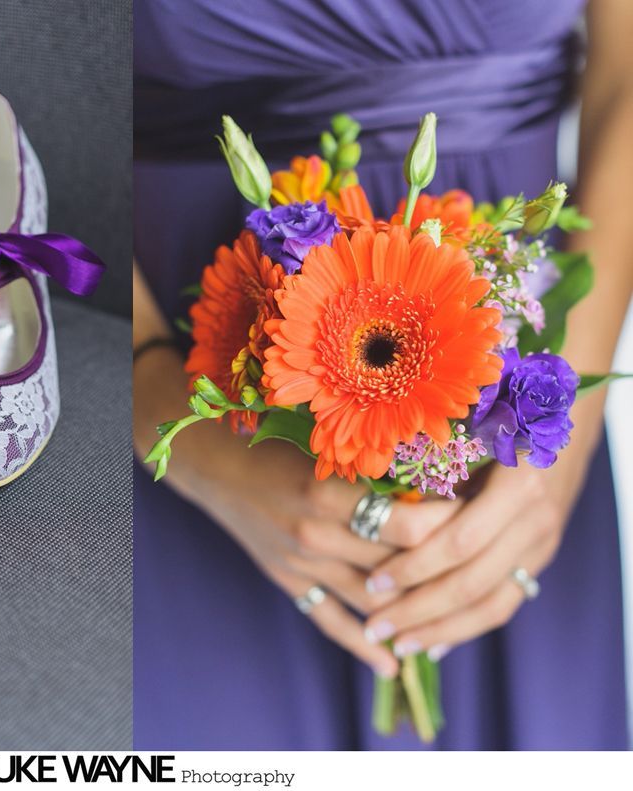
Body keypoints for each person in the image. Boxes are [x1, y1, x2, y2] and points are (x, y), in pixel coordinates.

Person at [132, 0, 632, 749]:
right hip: (196, 392)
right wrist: (163, 407)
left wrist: (559, 445)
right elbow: (47, 83)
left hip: (508, 416)